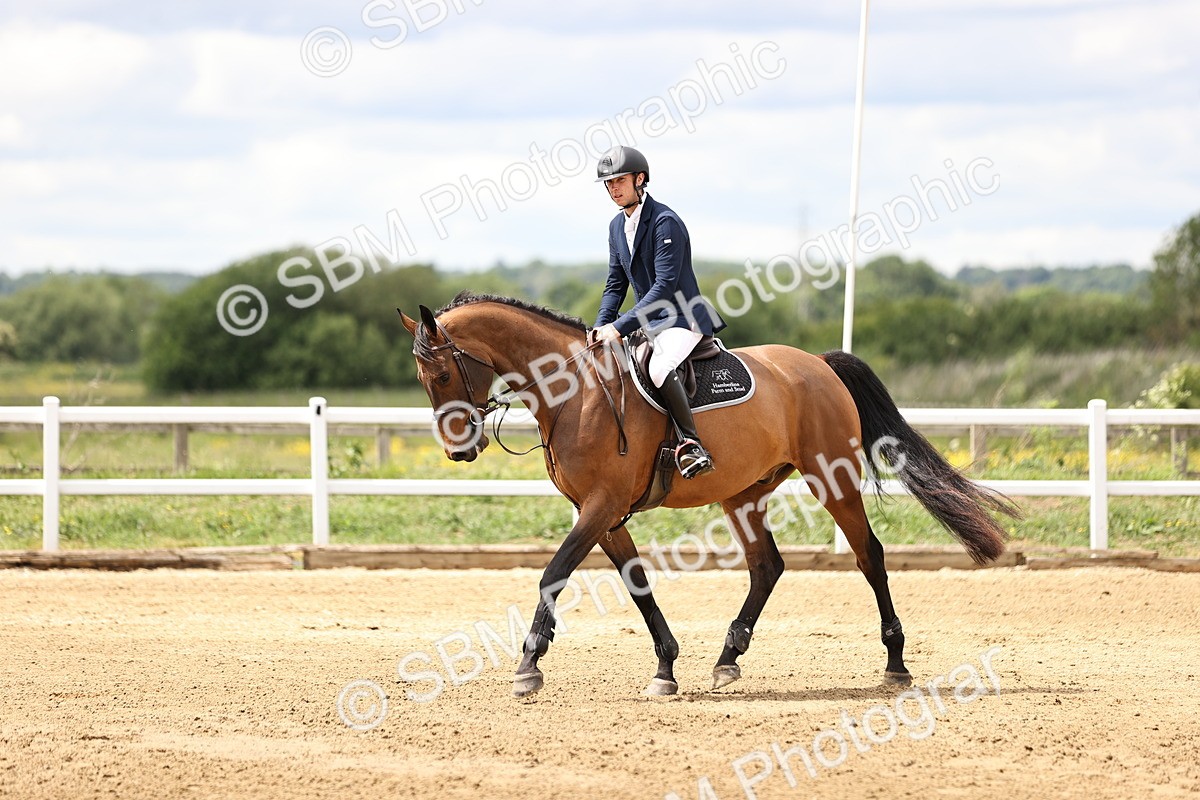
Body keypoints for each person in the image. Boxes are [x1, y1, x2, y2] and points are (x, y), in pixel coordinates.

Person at [589, 146, 725, 479]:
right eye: (609, 183)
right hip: (650, 324)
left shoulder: (666, 222)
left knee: (660, 366)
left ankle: (693, 445)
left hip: (683, 317)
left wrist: (620, 327)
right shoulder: (615, 227)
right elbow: (614, 285)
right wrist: (600, 326)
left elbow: (664, 286)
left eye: (620, 180)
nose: (615, 188)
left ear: (640, 179)